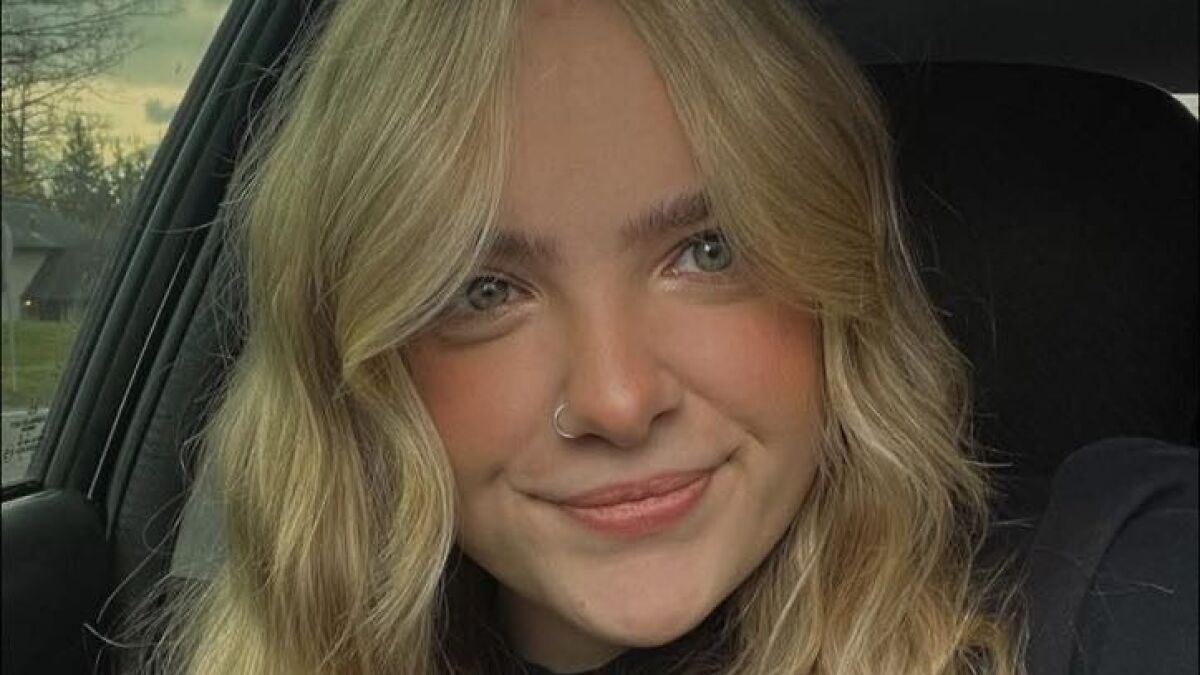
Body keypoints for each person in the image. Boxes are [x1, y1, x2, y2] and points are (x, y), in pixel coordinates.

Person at [128, 0, 1187, 673]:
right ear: (361, 364)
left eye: (712, 251)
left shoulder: (1104, 585)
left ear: (839, 288)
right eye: (481, 288)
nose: (617, 399)